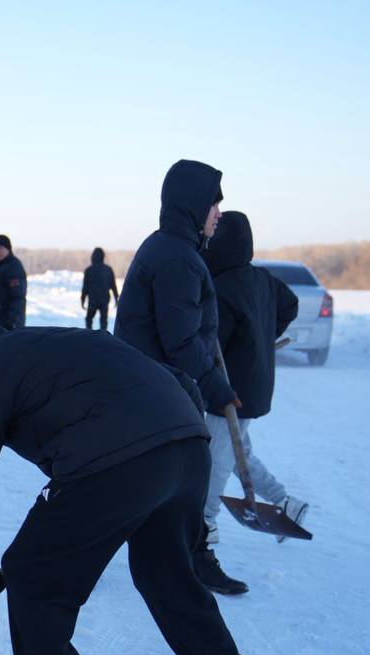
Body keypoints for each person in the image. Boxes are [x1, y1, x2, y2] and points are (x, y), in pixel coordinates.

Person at [0, 319, 283, 655]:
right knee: (171, 580)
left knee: (32, 571)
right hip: (188, 445)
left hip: (116, 459)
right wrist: (178, 439)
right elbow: (178, 380)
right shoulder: (64, 340)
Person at [113, 159, 243, 594]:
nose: (219, 214)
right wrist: (217, 387)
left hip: (155, 388)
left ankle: (184, 558)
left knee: (159, 484)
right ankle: (192, 562)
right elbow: (181, 341)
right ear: (192, 206)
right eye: (213, 204)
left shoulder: (172, 249)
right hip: (159, 391)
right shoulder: (176, 258)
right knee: (186, 481)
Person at [198, 211, 308, 588]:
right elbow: (290, 306)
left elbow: (214, 342)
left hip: (227, 391)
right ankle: (285, 501)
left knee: (218, 458)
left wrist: (246, 344)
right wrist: (263, 336)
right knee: (235, 447)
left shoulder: (220, 285)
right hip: (253, 386)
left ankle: (204, 529)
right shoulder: (262, 278)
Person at [0, 235, 28, 330]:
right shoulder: (0, 266)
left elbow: (17, 297)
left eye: (0, 248)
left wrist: (11, 321)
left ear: (8, 249)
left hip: (9, 324)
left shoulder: (13, 267)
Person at [80, 247, 119, 331]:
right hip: (104, 300)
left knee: (89, 319)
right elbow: (113, 286)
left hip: (93, 301)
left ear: (93, 257)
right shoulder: (108, 270)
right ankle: (103, 339)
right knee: (103, 321)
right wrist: (116, 298)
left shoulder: (88, 270)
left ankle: (89, 335)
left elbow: (85, 288)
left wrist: (82, 300)